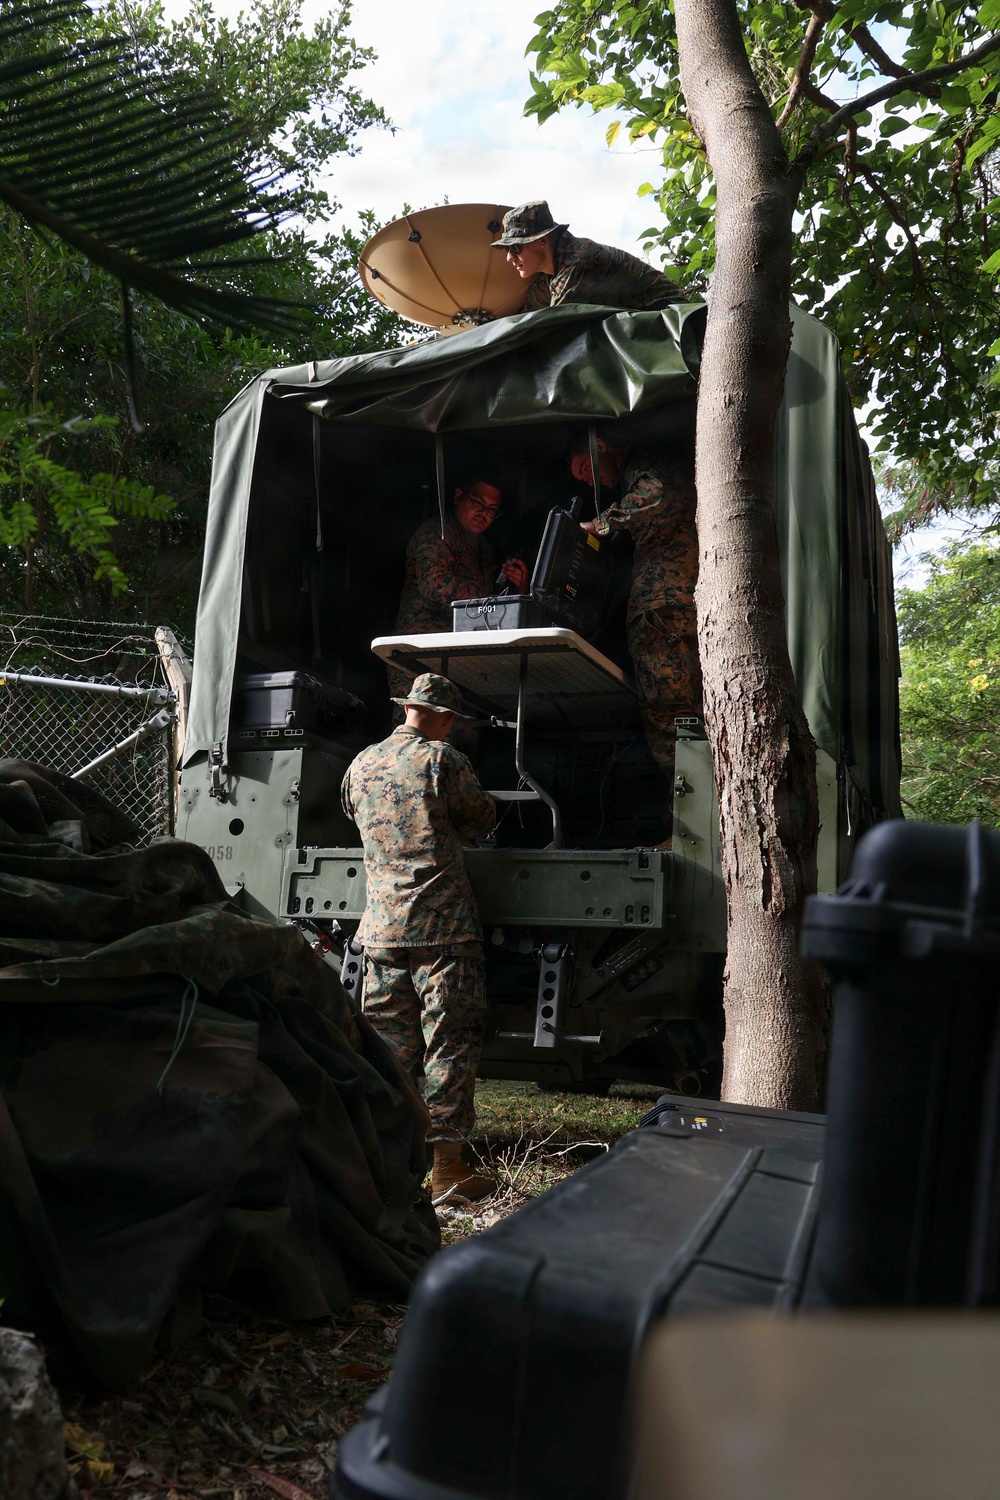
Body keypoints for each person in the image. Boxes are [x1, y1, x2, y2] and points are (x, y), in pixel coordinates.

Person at [341, 672, 498, 1203]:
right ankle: (447, 1170)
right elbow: (480, 820)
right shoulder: (443, 760)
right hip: (443, 932)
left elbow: (357, 820)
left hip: (380, 932)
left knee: (388, 1050)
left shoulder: (361, 763)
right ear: (444, 717)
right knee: (449, 1043)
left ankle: (385, 1163)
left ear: (407, 708)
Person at [567, 432, 701, 803]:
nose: (587, 479)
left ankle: (691, 819)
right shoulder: (644, 465)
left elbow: (656, 492)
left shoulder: (641, 456)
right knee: (688, 710)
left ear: (601, 445)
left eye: (584, 468)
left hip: (662, 607)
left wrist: (599, 524)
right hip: (680, 602)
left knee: (668, 713)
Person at [393, 469, 527, 638]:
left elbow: (489, 610)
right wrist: (491, 602)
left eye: (492, 510)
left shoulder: (484, 549)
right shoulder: (436, 533)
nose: (484, 513)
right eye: (477, 503)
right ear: (458, 497)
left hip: (461, 645)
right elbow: (437, 587)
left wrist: (517, 590)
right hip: (421, 644)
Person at [492, 201, 682, 313]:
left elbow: (551, 331)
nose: (509, 258)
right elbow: (524, 319)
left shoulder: (579, 262)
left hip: (674, 324)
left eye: (515, 248)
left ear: (541, 241)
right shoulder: (548, 279)